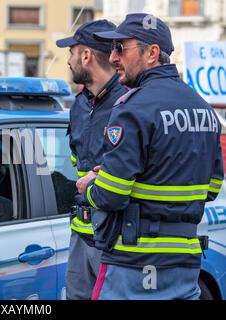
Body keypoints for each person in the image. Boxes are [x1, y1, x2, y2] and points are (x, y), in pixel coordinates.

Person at [76, 13, 224, 300]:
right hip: (185, 261)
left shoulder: (132, 108)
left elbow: (111, 195)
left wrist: (90, 186)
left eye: (121, 48)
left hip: (133, 263)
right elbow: (212, 188)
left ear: (152, 53)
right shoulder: (204, 109)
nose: (114, 57)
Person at [55, 20, 126, 300]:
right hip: (80, 234)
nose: (69, 61)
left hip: (115, 238)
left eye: (71, 53)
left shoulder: (130, 103)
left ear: (85, 56)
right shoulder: (80, 104)